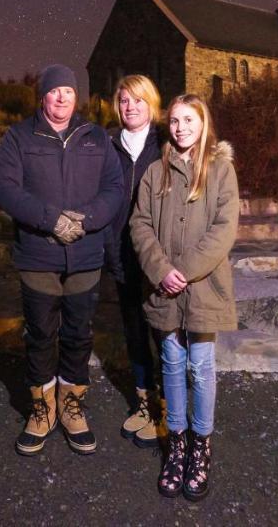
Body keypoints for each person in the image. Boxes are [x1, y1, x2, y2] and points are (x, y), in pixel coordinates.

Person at [0, 64, 126, 457]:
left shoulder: (96, 137)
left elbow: (114, 188)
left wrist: (86, 221)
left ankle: (71, 406)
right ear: (42, 97)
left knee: (79, 334)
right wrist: (51, 220)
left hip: (85, 254)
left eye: (68, 90)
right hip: (39, 255)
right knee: (39, 334)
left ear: (76, 96)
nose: (62, 97)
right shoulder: (19, 137)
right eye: (55, 91)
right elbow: (4, 188)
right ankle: (41, 408)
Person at [129, 94, 240, 501]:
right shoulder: (155, 173)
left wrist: (185, 270)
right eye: (174, 121)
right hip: (164, 289)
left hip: (204, 287)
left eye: (188, 120)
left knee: (201, 365)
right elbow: (140, 225)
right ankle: (176, 443)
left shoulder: (220, 171)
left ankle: (201, 445)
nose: (180, 128)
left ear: (203, 122)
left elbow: (224, 229)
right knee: (172, 364)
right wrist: (161, 270)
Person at [104, 74, 165, 449]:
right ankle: (143, 404)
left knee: (163, 332)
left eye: (138, 101)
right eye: (124, 101)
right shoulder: (107, 144)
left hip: (156, 254)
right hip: (121, 251)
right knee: (134, 332)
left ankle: (167, 407)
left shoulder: (165, 142)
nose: (130, 107)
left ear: (151, 103)